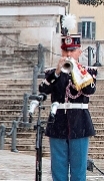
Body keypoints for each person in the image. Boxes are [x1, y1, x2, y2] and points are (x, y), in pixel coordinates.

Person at [38, 15, 96, 181]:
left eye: (72, 51)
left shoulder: (88, 72)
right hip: (58, 124)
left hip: (80, 124)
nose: (68, 53)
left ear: (79, 51)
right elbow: (43, 89)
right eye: (65, 50)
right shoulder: (53, 72)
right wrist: (57, 72)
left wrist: (76, 70)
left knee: (78, 171)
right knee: (59, 170)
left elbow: (90, 90)